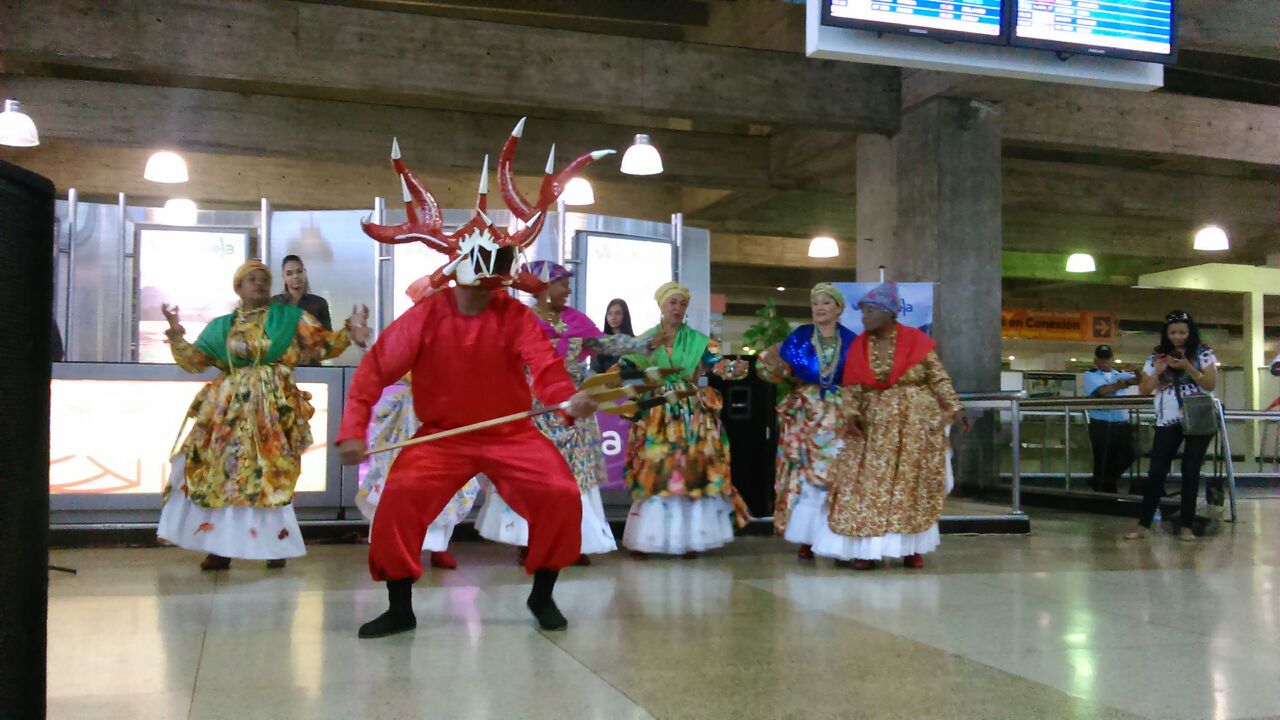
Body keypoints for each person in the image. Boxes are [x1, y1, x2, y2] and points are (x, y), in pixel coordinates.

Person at [337, 283, 601, 638]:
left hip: (510, 432)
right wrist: (352, 430)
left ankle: (542, 597)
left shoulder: (515, 315)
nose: (488, 282)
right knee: (399, 497)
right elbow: (375, 368)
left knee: (560, 493)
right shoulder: (425, 316)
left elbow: (545, 366)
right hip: (443, 434)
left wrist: (568, 399)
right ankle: (399, 609)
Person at [157, 260, 369, 570]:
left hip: (272, 409)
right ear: (238, 287)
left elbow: (325, 345)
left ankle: (275, 544)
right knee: (224, 473)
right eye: (251, 279)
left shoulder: (289, 319)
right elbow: (196, 360)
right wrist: (177, 335)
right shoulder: (222, 326)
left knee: (271, 472)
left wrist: (350, 329)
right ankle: (220, 547)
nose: (258, 284)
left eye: (263, 280)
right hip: (228, 411)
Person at [475, 262, 654, 565]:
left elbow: (602, 342)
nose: (568, 290)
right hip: (534, 407)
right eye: (562, 284)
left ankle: (575, 540)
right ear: (543, 287)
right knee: (533, 474)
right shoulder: (521, 319)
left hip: (574, 404)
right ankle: (529, 540)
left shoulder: (575, 320)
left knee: (576, 475)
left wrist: (641, 344)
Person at [814, 282, 965, 570]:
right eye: (863, 311)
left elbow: (939, 379)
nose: (864, 317)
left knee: (911, 486)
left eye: (869, 311)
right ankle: (865, 550)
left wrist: (956, 409)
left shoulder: (916, 342)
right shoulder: (860, 345)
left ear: (888, 312)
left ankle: (911, 548)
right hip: (873, 428)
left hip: (915, 426)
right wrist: (850, 415)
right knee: (865, 486)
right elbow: (851, 387)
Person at [619, 281, 750, 559]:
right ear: (661, 306)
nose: (677, 308)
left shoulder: (700, 340)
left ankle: (689, 538)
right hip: (656, 413)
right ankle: (648, 537)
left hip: (690, 413)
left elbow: (720, 366)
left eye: (682, 304)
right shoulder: (647, 339)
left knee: (688, 470)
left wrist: (734, 368)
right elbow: (623, 368)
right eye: (672, 303)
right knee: (655, 470)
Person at [757, 283, 857, 561]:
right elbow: (777, 371)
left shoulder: (852, 340)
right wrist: (771, 362)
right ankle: (807, 536)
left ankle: (838, 536)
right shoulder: (800, 336)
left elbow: (861, 378)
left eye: (826, 303)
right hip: (805, 414)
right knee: (805, 476)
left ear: (838, 308)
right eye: (815, 304)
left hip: (838, 413)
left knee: (837, 473)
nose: (820, 308)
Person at [357, 377, 480, 570]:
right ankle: (397, 548)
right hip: (409, 419)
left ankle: (439, 548)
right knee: (400, 490)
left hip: (449, 414)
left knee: (446, 489)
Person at [1126, 310, 1218, 543]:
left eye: (1183, 332)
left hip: (1197, 416)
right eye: (1173, 332)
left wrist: (1188, 367)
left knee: (1191, 470)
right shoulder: (1157, 356)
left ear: (1190, 332)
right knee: (1156, 470)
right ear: (1166, 334)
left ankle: (1186, 526)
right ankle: (1143, 523)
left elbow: (1209, 383)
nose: (1178, 337)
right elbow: (1144, 389)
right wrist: (1158, 371)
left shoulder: (1203, 352)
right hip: (1167, 417)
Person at [1082, 344, 1138, 494]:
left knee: (1129, 454)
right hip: (1101, 423)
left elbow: (1137, 380)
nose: (1105, 361)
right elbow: (1102, 391)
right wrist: (1121, 385)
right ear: (1096, 360)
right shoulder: (1090, 374)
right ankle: (1105, 491)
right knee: (1103, 459)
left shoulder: (1118, 373)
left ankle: (1101, 481)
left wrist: (1137, 371)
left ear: (1112, 359)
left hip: (1120, 422)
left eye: (1107, 358)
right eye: (1101, 358)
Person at [272, 255, 333, 367]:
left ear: (304, 273)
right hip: (281, 368)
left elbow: (328, 340)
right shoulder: (275, 304)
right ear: (283, 277)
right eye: (289, 273)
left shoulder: (319, 303)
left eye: (299, 271)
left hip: (312, 367)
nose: (295, 276)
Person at [592, 298, 635, 374]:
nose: (613, 317)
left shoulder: (634, 342)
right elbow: (594, 371)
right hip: (604, 383)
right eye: (610, 314)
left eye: (618, 313)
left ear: (625, 316)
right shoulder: (600, 342)